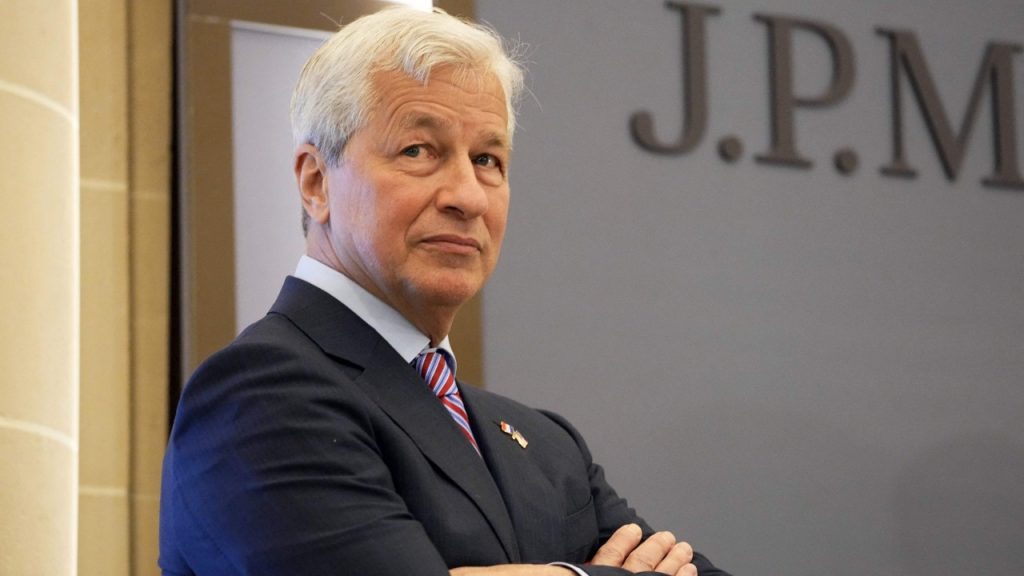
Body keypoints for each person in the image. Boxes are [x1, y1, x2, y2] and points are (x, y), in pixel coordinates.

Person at [159, 7, 730, 576]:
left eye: (487, 160)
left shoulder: (547, 446)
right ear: (316, 182)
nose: (468, 196)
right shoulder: (260, 393)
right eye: (418, 151)